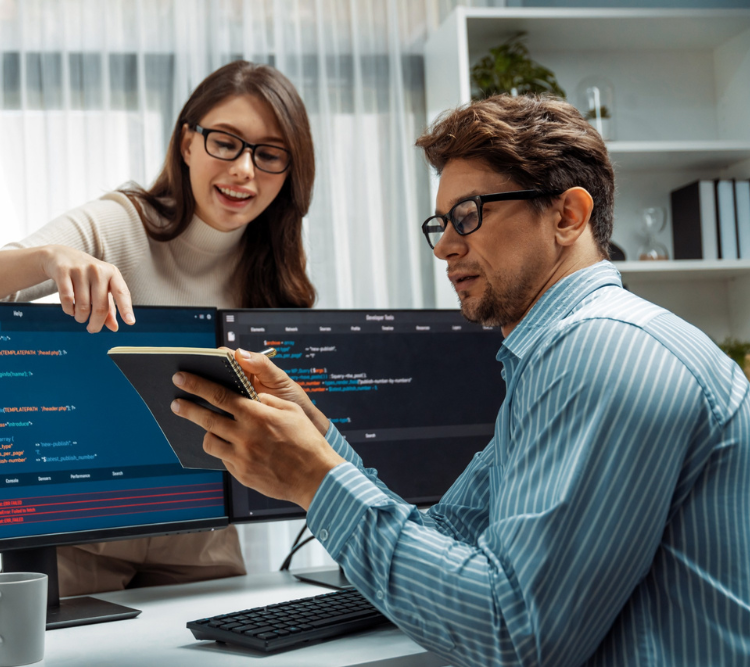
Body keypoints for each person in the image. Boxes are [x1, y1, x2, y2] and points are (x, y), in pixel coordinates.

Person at [170, 95, 750, 666]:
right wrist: (319, 445)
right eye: (441, 222)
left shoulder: (604, 353)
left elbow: (515, 637)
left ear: (568, 215)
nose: (446, 246)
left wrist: (316, 482)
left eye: (470, 213)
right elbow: (451, 535)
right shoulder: (554, 355)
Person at [0, 60, 317, 595]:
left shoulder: (276, 272)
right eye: (225, 142)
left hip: (202, 524)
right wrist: (47, 258)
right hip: (85, 522)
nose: (245, 168)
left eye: (268, 155)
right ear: (187, 143)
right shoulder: (119, 223)